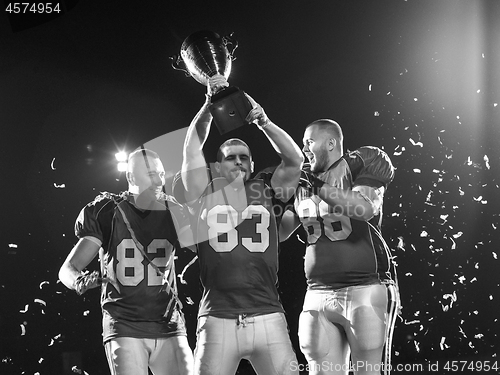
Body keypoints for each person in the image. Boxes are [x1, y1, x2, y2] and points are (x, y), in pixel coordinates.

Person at [173, 75, 303, 375]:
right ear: (217, 165)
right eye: (231, 158)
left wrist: (264, 122)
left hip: (268, 314)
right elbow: (191, 150)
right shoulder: (205, 191)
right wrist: (208, 106)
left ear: (253, 164)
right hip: (217, 317)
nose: (239, 162)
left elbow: (294, 160)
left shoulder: (266, 189)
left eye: (245, 157)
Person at [279, 119, 400, 375]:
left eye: (309, 142)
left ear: (331, 143)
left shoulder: (360, 164)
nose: (304, 149)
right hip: (317, 292)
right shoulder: (305, 182)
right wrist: (265, 198)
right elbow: (280, 232)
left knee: (369, 371)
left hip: (365, 287)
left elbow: (363, 208)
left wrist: (318, 186)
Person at [58, 148, 194, 375]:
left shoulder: (173, 211)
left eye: (161, 174)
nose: (158, 180)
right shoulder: (107, 211)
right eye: (150, 173)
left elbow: (202, 248)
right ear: (130, 177)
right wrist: (79, 281)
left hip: (169, 324)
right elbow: (67, 269)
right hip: (124, 325)